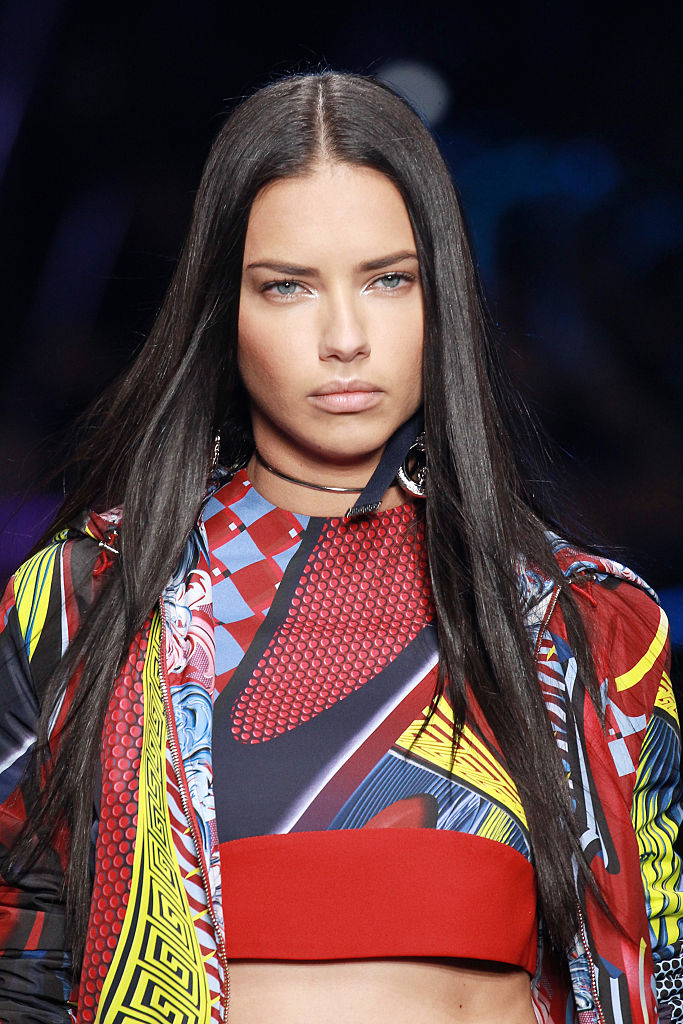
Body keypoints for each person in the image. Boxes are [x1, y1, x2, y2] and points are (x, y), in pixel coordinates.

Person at [0, 70, 680, 1024]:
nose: (345, 337)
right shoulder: (83, 603)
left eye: (388, 279)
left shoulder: (587, 629)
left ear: (444, 298)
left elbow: (654, 970)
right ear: (220, 311)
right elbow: (21, 955)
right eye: (287, 287)